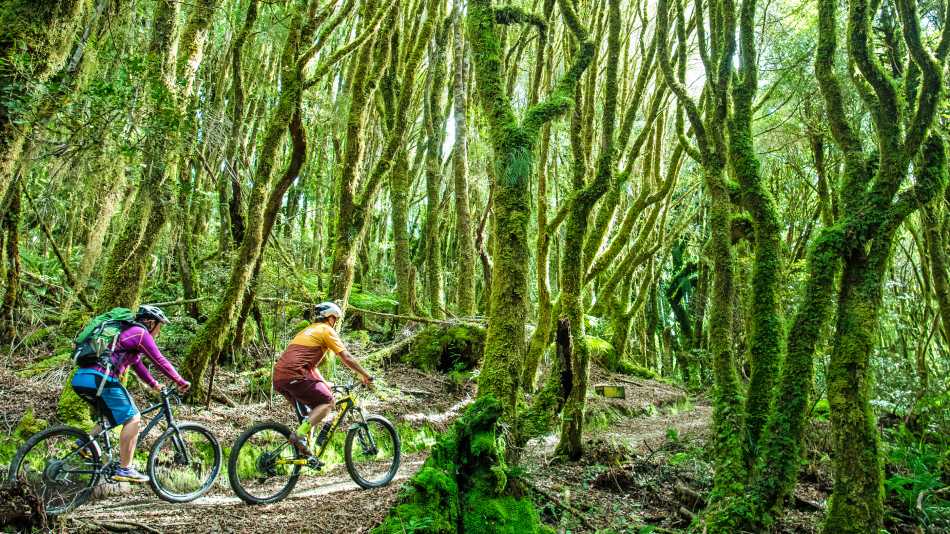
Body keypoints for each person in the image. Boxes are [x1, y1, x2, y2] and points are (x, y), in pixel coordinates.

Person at [70, 305, 191, 483]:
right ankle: (125, 469)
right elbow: (159, 360)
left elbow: (137, 365)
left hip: (82, 378)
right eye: (159, 326)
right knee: (133, 417)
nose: (159, 331)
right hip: (101, 378)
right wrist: (179, 380)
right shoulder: (140, 333)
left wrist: (154, 384)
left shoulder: (125, 335)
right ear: (151, 323)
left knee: (110, 416)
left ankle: (85, 443)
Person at [273, 302, 373, 458]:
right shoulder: (326, 330)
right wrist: (364, 374)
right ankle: (298, 435)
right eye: (335, 319)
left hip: (280, 378)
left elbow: (310, 367)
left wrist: (324, 383)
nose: (335, 322)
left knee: (310, 413)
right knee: (328, 402)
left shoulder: (306, 331)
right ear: (330, 317)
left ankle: (306, 452)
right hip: (295, 375)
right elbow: (345, 357)